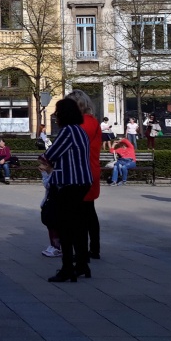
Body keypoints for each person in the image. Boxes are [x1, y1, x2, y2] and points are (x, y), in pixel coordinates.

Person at [40, 98, 94, 283]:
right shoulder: (80, 131)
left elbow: (50, 155)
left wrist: (43, 158)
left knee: (64, 226)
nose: (56, 116)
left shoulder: (67, 131)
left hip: (68, 183)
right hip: (83, 181)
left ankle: (67, 268)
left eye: (57, 113)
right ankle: (82, 264)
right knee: (79, 225)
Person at [68, 89, 103, 261]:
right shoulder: (91, 121)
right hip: (90, 169)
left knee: (80, 213)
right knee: (88, 211)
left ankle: (83, 253)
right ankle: (93, 249)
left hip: (82, 172)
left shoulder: (84, 123)